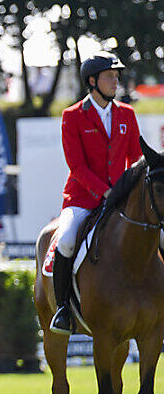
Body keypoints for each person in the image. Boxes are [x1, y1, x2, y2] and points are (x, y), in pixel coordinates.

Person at [49, 51, 141, 335]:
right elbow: (76, 165)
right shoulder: (73, 116)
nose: (116, 81)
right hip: (83, 200)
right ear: (92, 81)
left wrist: (128, 193)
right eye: (109, 76)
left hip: (121, 202)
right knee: (64, 241)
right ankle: (64, 308)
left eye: (117, 76)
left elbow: (136, 159)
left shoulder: (127, 114)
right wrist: (106, 192)